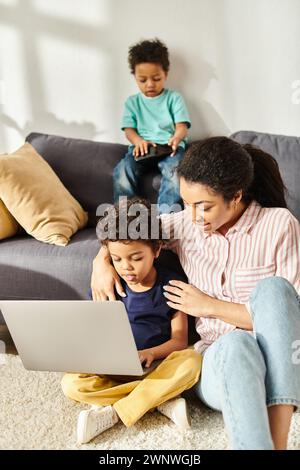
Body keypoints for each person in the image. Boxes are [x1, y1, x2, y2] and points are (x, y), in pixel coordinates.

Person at [91, 137, 300, 450]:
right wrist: (101, 262)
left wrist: (210, 306)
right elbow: (128, 234)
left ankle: (278, 442)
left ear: (236, 196)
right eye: (186, 204)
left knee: (275, 290)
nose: (192, 216)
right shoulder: (186, 226)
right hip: (221, 363)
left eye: (204, 207)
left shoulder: (278, 225)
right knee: (236, 343)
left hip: (279, 360)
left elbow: (288, 318)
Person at [61, 198, 202, 445]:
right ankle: (157, 401)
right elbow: (94, 331)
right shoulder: (108, 285)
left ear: (157, 249)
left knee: (191, 361)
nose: (126, 267)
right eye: (116, 259)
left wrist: (150, 352)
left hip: (156, 367)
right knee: (71, 383)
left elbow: (179, 341)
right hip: (114, 371)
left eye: (136, 258)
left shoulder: (172, 286)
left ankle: (116, 411)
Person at [113, 38, 191, 214]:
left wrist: (177, 137)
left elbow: (182, 126)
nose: (150, 84)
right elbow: (129, 130)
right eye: (142, 80)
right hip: (142, 149)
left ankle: (166, 220)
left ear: (166, 74)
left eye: (156, 78)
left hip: (169, 148)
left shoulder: (173, 98)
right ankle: (126, 217)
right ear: (134, 76)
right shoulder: (132, 102)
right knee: (122, 170)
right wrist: (138, 141)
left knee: (175, 172)